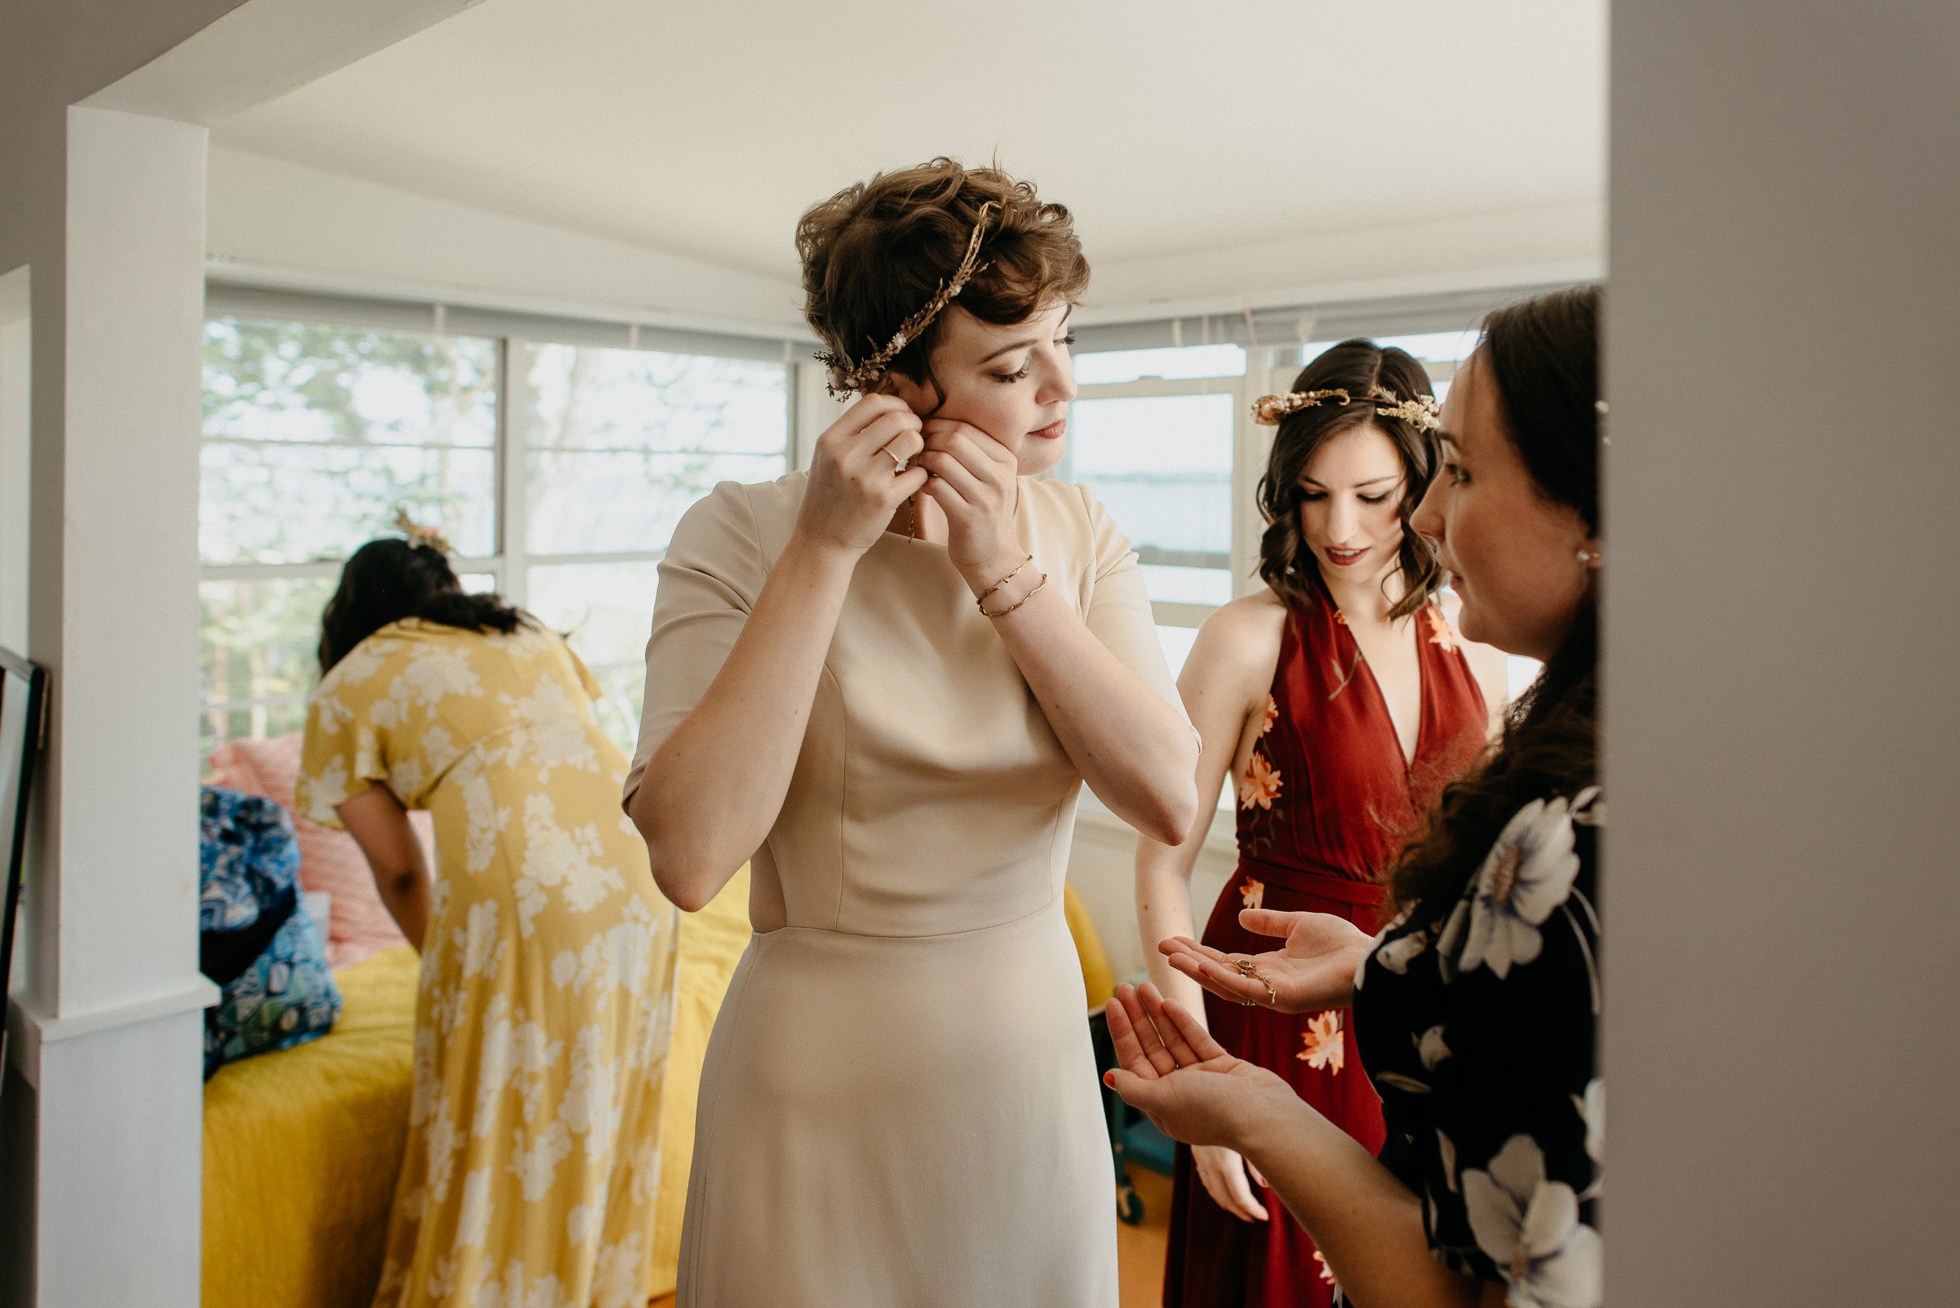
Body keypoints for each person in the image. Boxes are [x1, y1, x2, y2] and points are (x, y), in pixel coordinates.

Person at [623, 159, 1199, 1307]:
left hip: (1029, 1068)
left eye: (1064, 342)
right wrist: (825, 553)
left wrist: (1002, 570)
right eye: (1008, 365)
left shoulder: (1077, 529)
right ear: (896, 381)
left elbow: (1170, 798)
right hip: (817, 1084)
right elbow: (690, 858)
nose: (1060, 390)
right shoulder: (740, 534)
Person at [1107, 285, 1604, 1308]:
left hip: (1416, 995)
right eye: (1314, 494)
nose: (1344, 526)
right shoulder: (1249, 639)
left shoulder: (1485, 643)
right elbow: (1161, 850)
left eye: (1380, 495)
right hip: (1272, 993)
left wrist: (1398, 969)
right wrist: (1200, 1048)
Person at [296, 532, 679, 1308]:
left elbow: (401, 868)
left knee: (494, 1104)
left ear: (353, 608)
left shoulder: (351, 681)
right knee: (601, 1099)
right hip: (643, 864)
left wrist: (448, 965)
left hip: (526, 880)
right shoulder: (526, 632)